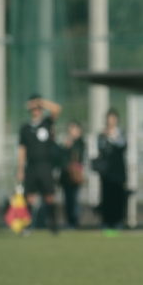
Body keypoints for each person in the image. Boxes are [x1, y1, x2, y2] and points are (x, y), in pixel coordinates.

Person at [17, 94, 61, 234]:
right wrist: (20, 169)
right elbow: (22, 149)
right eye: (33, 108)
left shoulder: (47, 123)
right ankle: (27, 226)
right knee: (29, 197)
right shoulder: (25, 128)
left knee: (49, 196)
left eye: (38, 108)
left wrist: (41, 102)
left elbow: (57, 109)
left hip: (45, 165)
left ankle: (53, 225)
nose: (35, 110)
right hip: (31, 166)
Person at [95, 108, 127, 233]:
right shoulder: (102, 135)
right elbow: (100, 148)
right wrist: (105, 136)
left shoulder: (121, 133)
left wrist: (112, 136)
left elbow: (122, 145)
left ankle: (118, 221)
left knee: (118, 198)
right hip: (106, 173)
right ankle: (106, 222)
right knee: (106, 198)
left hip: (118, 172)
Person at [60, 121, 85, 229]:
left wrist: (71, 146)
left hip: (75, 176)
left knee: (74, 199)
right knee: (67, 199)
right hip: (66, 176)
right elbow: (61, 158)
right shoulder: (66, 142)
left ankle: (74, 221)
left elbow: (79, 156)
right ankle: (69, 221)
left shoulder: (80, 143)